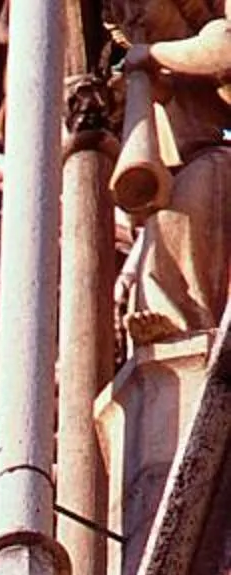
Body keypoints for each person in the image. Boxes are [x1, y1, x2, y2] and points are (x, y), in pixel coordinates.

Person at [117, 8, 231, 342]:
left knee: (187, 203)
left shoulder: (208, 33)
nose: (132, 15)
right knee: (161, 230)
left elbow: (223, 50)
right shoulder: (154, 71)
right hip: (172, 180)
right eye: (122, 12)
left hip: (213, 159)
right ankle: (167, 322)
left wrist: (152, 55)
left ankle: (187, 321)